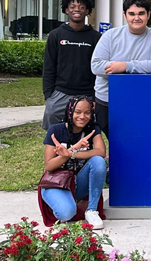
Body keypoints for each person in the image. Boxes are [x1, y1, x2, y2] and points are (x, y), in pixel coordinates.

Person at [91, 0, 151, 139]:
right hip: (108, 98)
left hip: (141, 99)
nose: (136, 18)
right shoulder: (110, 36)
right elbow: (96, 66)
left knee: (139, 140)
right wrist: (140, 67)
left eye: (141, 13)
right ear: (124, 15)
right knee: (115, 140)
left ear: (148, 15)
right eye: (132, 14)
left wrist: (124, 66)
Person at [40, 96, 107, 229]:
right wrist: (74, 148)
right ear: (70, 112)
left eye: (87, 112)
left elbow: (101, 152)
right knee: (66, 214)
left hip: (79, 183)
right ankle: (59, 200)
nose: (82, 116)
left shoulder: (92, 129)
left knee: (98, 161)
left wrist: (71, 153)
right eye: (77, 112)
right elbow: (49, 165)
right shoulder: (56, 130)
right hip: (57, 184)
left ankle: (91, 210)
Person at [42, 0, 101, 130]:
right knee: (53, 124)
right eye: (73, 6)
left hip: (87, 92)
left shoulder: (96, 37)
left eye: (81, 7)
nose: (77, 10)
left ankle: (82, 151)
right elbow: (49, 66)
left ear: (87, 11)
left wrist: (95, 95)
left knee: (86, 128)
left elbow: (99, 68)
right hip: (61, 91)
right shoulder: (56, 35)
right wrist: (49, 95)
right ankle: (56, 151)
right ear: (66, 9)